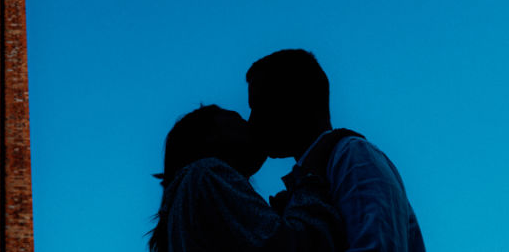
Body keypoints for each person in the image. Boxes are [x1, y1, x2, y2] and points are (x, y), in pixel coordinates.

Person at [246, 50, 425, 252]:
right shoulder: (317, 175)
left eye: (260, 105)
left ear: (297, 98)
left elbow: (378, 245)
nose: (252, 121)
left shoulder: (352, 156)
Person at [151, 104, 344, 252]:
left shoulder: (187, 198)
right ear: (211, 136)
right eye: (238, 119)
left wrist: (287, 211)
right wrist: (310, 178)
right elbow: (294, 245)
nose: (252, 124)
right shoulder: (206, 174)